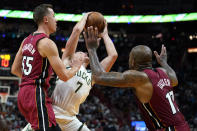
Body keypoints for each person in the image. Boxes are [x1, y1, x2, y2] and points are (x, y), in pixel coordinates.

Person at [83, 27, 190, 131]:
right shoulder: (162, 71)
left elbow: (98, 76)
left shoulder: (139, 77)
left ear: (133, 61)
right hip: (182, 125)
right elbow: (174, 80)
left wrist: (92, 49)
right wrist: (164, 63)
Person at [11, 4, 83, 131]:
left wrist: (31, 78)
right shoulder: (47, 43)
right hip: (35, 94)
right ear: (46, 19)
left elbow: (15, 69)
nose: (56, 20)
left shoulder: (26, 40)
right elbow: (64, 76)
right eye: (54, 16)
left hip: (24, 94)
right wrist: (77, 67)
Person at [51, 13, 118, 131]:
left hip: (70, 119)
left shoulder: (93, 76)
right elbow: (77, 30)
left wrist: (105, 35)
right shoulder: (66, 62)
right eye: (80, 52)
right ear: (72, 59)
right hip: (51, 112)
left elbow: (113, 55)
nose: (84, 53)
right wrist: (86, 16)